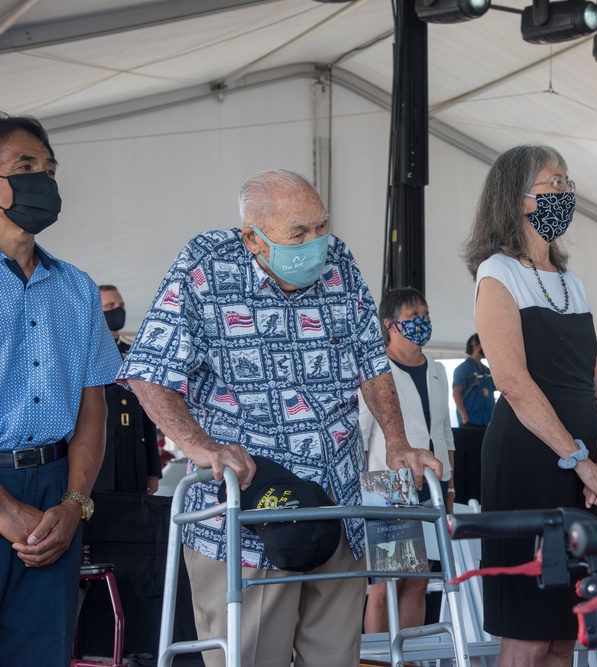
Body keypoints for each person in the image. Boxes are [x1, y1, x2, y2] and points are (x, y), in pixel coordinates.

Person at [117, 169, 441, 667]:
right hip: (248, 519)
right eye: (298, 233)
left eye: (321, 226)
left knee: (335, 657)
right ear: (253, 237)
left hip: (336, 506)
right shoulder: (205, 266)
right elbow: (148, 371)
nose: (317, 243)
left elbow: (372, 363)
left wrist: (396, 441)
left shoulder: (341, 264)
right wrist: (200, 445)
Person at [464, 144, 597, 667]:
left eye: (568, 181)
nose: (566, 191)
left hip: (581, 468)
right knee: (531, 628)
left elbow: (596, 375)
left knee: (566, 626)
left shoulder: (571, 280)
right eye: (554, 181)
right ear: (518, 197)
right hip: (530, 462)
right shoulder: (496, 273)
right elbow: (511, 378)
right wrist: (579, 460)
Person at [0, 112, 122, 664]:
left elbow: (92, 404)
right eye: (25, 166)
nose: (42, 181)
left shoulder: (74, 287)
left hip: (55, 495)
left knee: (42, 652)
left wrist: (74, 504)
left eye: (49, 169)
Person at [359, 287, 455, 633]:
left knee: (418, 580)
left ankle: (410, 656)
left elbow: (445, 432)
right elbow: (362, 432)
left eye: (424, 314)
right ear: (390, 325)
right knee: (386, 583)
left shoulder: (438, 370)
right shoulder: (376, 369)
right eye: (412, 316)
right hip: (388, 485)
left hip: (433, 483)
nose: (422, 322)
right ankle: (376, 660)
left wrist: (451, 487)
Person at [95, 284, 161, 494]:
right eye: (111, 305)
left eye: (121, 304)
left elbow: (147, 413)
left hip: (134, 455)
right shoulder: (87, 354)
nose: (118, 309)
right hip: (101, 458)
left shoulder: (134, 353)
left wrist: (153, 469)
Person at [452, 333, 496, 427]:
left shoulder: (487, 370)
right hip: (470, 421)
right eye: (483, 344)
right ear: (475, 346)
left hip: (488, 422)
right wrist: (464, 416)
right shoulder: (463, 368)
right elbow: (456, 393)